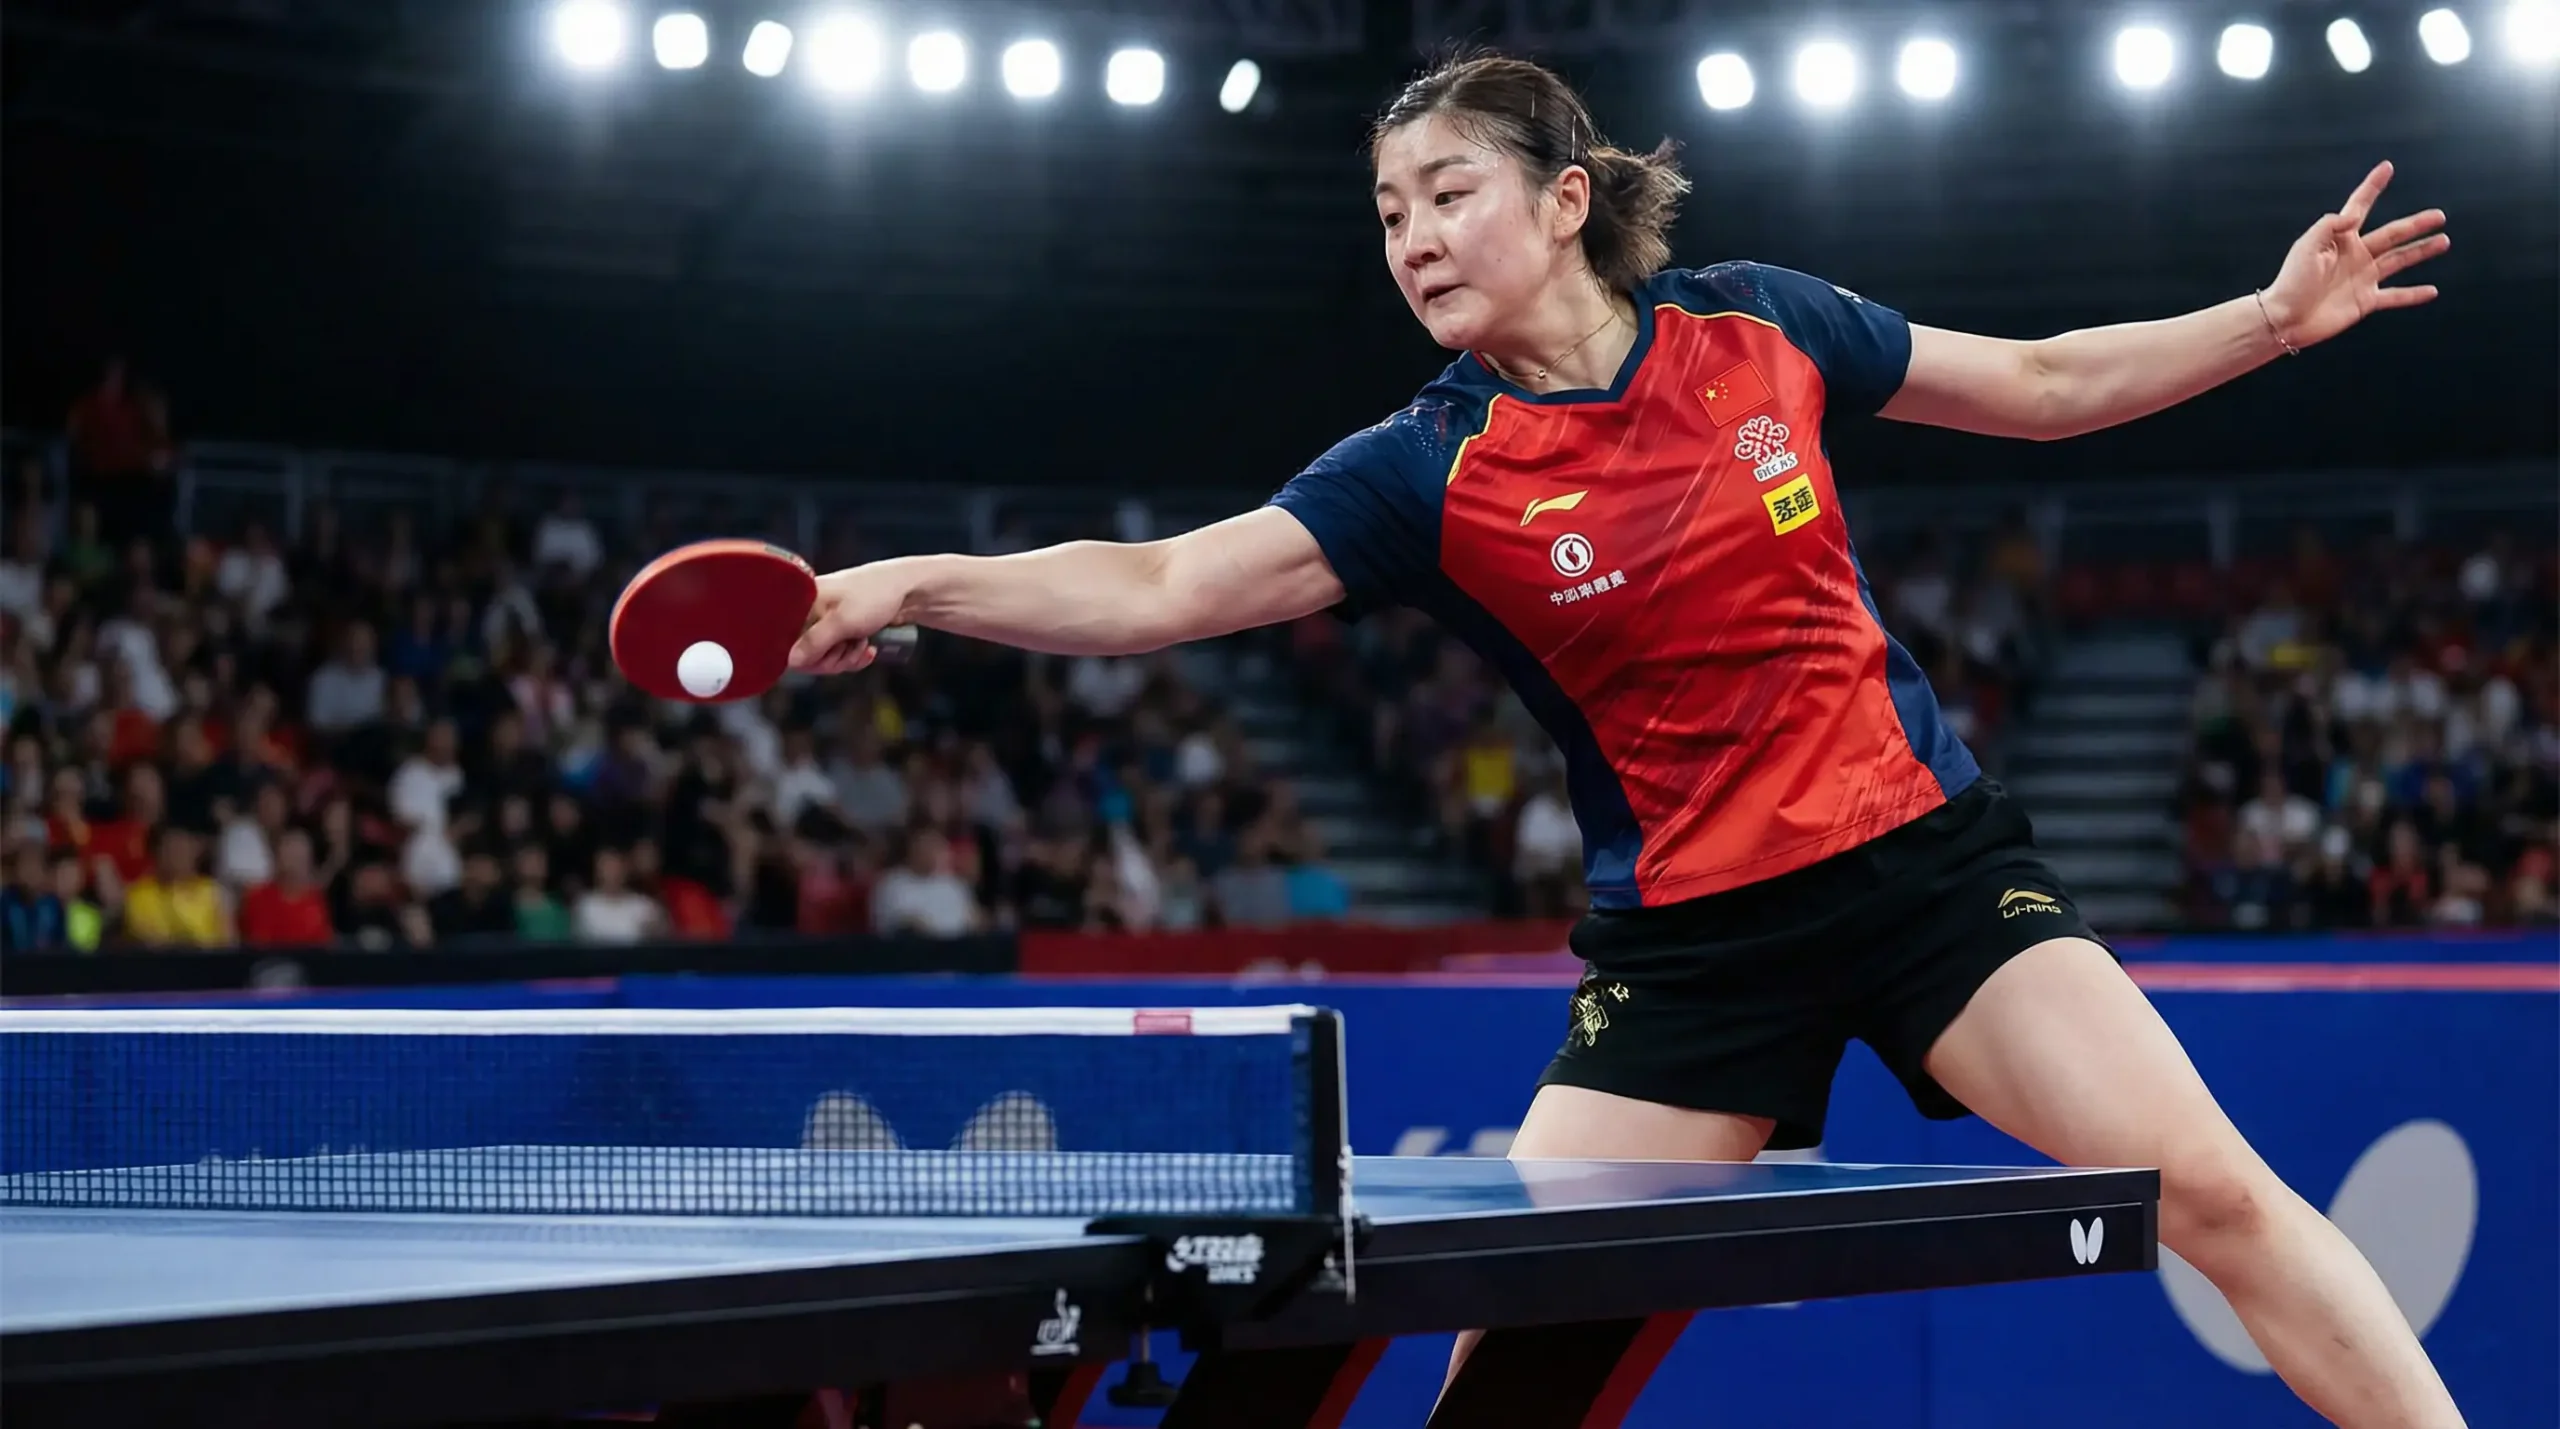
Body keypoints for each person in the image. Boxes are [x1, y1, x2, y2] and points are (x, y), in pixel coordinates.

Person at [789, 51, 2459, 1429]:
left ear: (1566, 198)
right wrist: (913, 584)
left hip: (1929, 879)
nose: (1415, 240)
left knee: (2221, 1198)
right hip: (1691, 956)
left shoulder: (1762, 328)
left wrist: (2266, 317)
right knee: (1509, 1364)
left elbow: (2040, 377)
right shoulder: (1423, 468)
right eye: (1388, 215)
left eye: (1450, 193)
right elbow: (1162, 583)